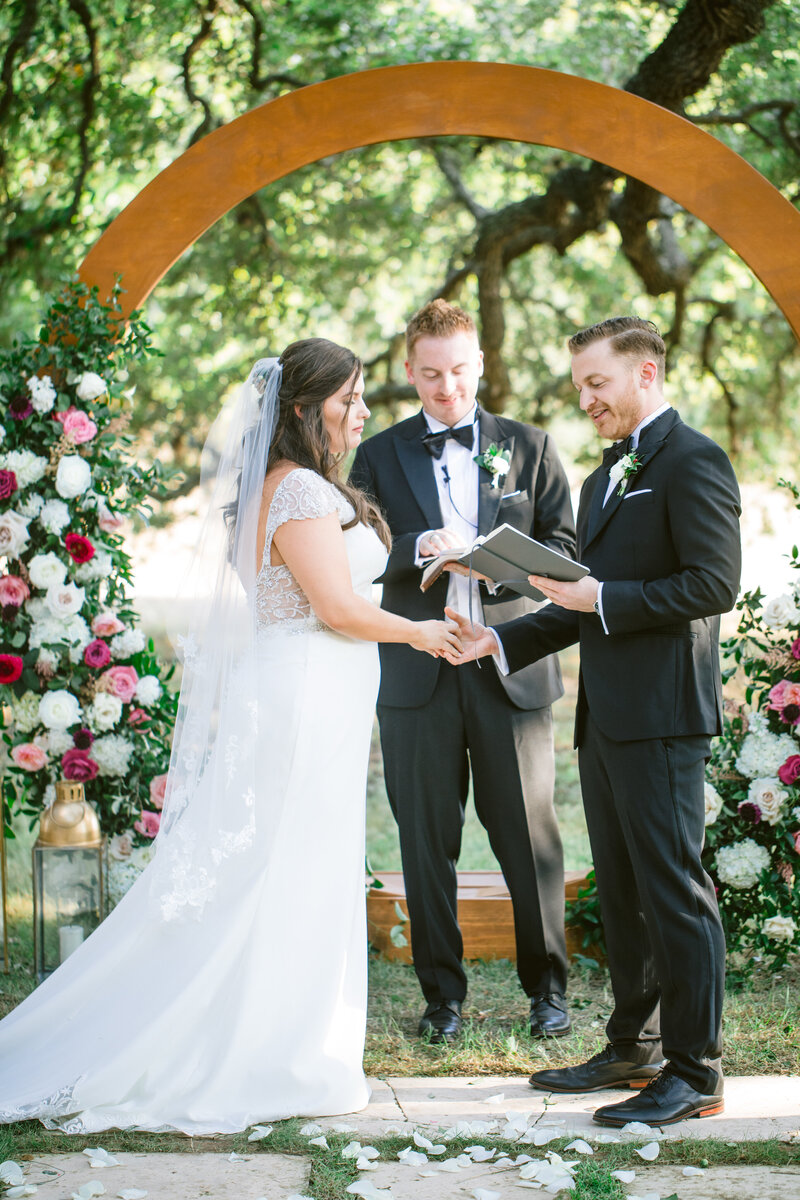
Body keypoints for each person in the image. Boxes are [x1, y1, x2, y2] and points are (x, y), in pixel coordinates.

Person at [0, 338, 460, 1135]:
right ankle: (273, 1051)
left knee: (281, 862)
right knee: (290, 863)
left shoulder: (279, 489)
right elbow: (339, 611)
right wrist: (428, 636)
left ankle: (282, 1037)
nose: (361, 412)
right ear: (303, 409)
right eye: (348, 399)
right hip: (308, 694)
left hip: (305, 691)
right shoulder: (303, 493)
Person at [445, 316, 741, 1127]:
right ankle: (634, 1047)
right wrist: (494, 641)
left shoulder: (694, 460)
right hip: (604, 716)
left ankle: (696, 1072)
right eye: (580, 385)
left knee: (675, 890)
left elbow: (713, 585)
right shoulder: (607, 475)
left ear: (646, 374)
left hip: (666, 714)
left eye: (597, 383)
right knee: (624, 893)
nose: (586, 399)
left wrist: (603, 597)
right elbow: (577, 605)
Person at [350, 300, 577, 1044]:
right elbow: (351, 549)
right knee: (425, 837)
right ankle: (441, 997)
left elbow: (566, 551)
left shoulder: (532, 446)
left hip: (506, 663)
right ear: (408, 372)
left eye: (457, 371)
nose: (446, 387)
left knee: (528, 835)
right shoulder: (379, 454)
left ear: (478, 364)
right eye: (429, 374)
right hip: (417, 669)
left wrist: (499, 564)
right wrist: (418, 546)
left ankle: (548, 990)